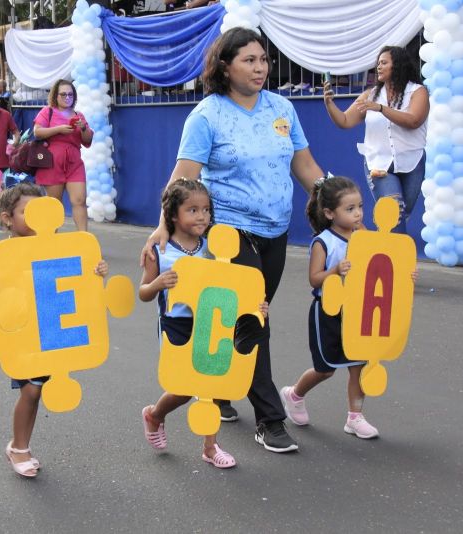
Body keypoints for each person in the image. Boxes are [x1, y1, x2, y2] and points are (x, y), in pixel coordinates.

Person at [142, 28, 325, 453]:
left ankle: (222, 387)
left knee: (244, 319)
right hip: (227, 233)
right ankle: (269, 420)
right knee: (253, 319)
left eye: (263, 59)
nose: (260, 68)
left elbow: (306, 166)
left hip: (276, 231)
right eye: (249, 60)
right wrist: (162, 226)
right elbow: (184, 177)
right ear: (225, 65)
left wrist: (335, 199)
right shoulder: (207, 115)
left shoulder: (281, 108)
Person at [140, 179, 271, 468]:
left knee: (209, 383)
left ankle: (210, 448)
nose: (202, 216)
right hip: (175, 325)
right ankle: (155, 415)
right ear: (173, 215)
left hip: (210, 323)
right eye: (193, 210)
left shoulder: (214, 249)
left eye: (206, 210)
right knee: (184, 388)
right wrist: (158, 283)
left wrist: (257, 306)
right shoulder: (159, 249)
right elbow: (143, 292)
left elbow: (234, 287)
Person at [0, 183, 109, 478]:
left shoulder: (62, 247)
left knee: (35, 391)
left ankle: (19, 445)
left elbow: (78, 283)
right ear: (7, 218)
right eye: (28, 211)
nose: (37, 216)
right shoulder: (4, 254)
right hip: (24, 334)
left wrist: (96, 271)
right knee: (31, 390)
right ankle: (19, 447)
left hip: (53, 331)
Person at [279, 176, 381, 439]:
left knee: (359, 365)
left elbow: (380, 266)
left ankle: (355, 418)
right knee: (325, 369)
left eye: (359, 206)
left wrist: (404, 275)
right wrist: (334, 271)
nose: (358, 213)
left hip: (357, 311)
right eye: (350, 209)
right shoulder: (323, 241)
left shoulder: (364, 235)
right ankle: (294, 394)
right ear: (329, 213)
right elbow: (314, 279)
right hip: (328, 311)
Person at [323, 45, 429, 235]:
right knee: (393, 211)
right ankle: (399, 260)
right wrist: (329, 104)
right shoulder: (370, 95)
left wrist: (380, 108)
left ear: (398, 65)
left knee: (400, 214)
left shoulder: (417, 92)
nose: (378, 67)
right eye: (378, 63)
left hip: (412, 161)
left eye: (384, 63)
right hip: (377, 162)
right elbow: (345, 121)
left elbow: (413, 120)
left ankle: (383, 252)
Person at [32, 80, 93, 232]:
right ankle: (52, 239)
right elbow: (37, 132)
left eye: (70, 94)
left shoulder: (79, 115)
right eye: (63, 94)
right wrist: (58, 129)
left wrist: (84, 127)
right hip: (52, 162)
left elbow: (88, 140)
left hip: (74, 162)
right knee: (55, 204)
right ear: (56, 96)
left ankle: (83, 238)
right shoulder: (48, 111)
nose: (67, 97)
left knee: (79, 200)